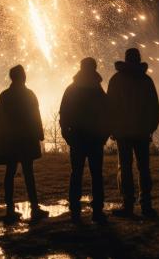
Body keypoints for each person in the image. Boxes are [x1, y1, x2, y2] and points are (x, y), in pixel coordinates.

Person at [0, 65, 49, 223]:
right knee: (28, 173)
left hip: (10, 140)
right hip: (26, 139)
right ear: (22, 76)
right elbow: (36, 116)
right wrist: (39, 134)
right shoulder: (29, 94)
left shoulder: (5, 95)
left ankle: (10, 208)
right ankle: (34, 207)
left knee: (10, 172)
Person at [106, 48, 159, 217]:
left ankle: (127, 204)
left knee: (125, 168)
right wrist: (151, 127)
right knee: (144, 168)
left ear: (126, 59)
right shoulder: (146, 80)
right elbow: (154, 106)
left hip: (123, 132)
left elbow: (110, 106)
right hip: (142, 132)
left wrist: (112, 128)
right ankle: (146, 204)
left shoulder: (116, 80)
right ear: (138, 59)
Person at [59, 57, 109, 224]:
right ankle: (97, 210)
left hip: (78, 138)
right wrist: (104, 136)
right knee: (96, 175)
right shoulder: (98, 90)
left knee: (76, 173)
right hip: (94, 139)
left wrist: (68, 135)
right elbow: (107, 113)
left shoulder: (72, 89)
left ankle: (75, 209)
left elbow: (64, 114)